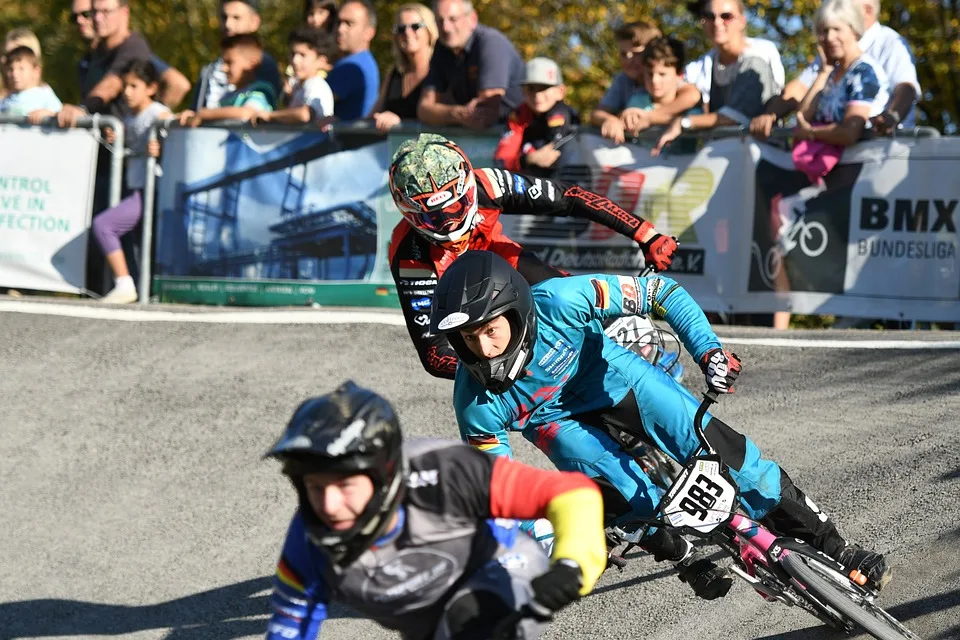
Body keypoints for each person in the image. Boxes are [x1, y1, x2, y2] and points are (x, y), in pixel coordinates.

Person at [429, 250, 894, 598]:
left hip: (615, 380)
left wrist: (708, 350)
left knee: (736, 463)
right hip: (558, 422)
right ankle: (685, 556)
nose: (484, 350)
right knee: (624, 494)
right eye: (468, 339)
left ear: (518, 312)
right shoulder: (474, 403)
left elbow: (661, 292)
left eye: (491, 330)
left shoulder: (562, 300)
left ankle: (838, 549)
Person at [263, 380, 607, 639]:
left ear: (382, 474)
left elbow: (571, 492)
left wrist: (572, 564)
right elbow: (288, 627)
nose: (328, 506)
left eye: (344, 485)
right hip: (426, 625)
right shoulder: (308, 540)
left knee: (468, 622)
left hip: (497, 575)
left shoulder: (444, 471)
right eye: (315, 487)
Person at [387, 133, 679, 380]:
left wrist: (644, 232)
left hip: (499, 259)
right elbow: (434, 354)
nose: (449, 224)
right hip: (462, 302)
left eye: (455, 207)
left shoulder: (488, 184)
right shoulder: (408, 254)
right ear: (409, 214)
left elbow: (570, 198)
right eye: (433, 217)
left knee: (573, 299)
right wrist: (500, 368)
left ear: (468, 188)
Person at [750, 0, 919, 139]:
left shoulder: (889, 45)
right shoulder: (834, 51)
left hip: (881, 150)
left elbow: (906, 88)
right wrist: (771, 115)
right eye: (825, 30)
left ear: (866, 11)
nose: (830, 37)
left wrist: (891, 116)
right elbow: (801, 88)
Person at [653, 0, 784, 155]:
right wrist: (642, 116)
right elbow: (680, 92)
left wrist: (685, 122)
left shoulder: (760, 54)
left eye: (726, 16)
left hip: (762, 158)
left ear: (742, 21)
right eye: (709, 16)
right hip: (720, 159)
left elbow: (737, 116)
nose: (717, 22)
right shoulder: (704, 64)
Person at [94, 60, 172, 303]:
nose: (126, 93)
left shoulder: (158, 113)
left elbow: (177, 141)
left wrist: (162, 147)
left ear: (151, 88)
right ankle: (146, 290)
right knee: (139, 244)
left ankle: (125, 283)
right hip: (135, 187)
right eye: (125, 86)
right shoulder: (129, 117)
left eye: (134, 86)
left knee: (104, 225)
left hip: (150, 190)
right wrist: (116, 138)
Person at [417, 0, 525, 129]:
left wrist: (444, 112)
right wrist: (457, 113)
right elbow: (424, 109)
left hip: (517, 133)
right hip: (480, 139)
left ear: (472, 19)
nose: (446, 27)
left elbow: (485, 113)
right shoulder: (442, 47)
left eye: (453, 19)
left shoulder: (490, 43)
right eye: (440, 21)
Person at [590, 21, 702, 145]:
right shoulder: (623, 80)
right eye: (623, 54)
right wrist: (611, 120)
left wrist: (650, 117)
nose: (629, 59)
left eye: (636, 53)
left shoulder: (667, 75)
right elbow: (597, 113)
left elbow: (691, 96)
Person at [494, 57, 579, 178]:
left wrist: (523, 160)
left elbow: (549, 159)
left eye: (544, 88)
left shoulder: (563, 114)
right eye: (531, 88)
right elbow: (501, 161)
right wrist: (529, 159)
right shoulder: (519, 115)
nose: (537, 95)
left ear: (560, 91)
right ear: (523, 91)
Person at [191, 0, 283, 111]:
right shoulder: (210, 69)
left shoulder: (264, 64)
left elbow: (254, 111)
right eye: (224, 17)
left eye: (236, 18)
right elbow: (196, 109)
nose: (228, 24)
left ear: (254, 22)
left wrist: (204, 115)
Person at [177, 33, 276, 127]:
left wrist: (204, 114)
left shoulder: (260, 91)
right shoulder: (228, 95)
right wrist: (194, 115)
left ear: (252, 63)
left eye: (229, 63)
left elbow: (247, 113)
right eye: (223, 62)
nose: (223, 68)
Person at [369, 2, 439, 132]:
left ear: (429, 31)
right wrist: (336, 122)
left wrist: (400, 124)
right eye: (401, 29)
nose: (407, 33)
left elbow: (442, 119)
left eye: (415, 26)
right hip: (390, 148)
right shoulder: (394, 74)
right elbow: (370, 119)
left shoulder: (441, 71)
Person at [253, 26, 335, 127]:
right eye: (292, 54)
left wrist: (270, 116)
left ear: (321, 60)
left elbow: (305, 115)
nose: (295, 61)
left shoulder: (316, 84)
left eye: (302, 55)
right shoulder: (297, 85)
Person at [327, 0, 380, 121]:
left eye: (349, 23)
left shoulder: (351, 66)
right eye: (339, 22)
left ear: (369, 33)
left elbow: (311, 105)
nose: (340, 29)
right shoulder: (366, 61)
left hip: (345, 139)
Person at [0, 46, 63, 123]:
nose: (14, 74)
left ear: (36, 71)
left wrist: (49, 114)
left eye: (21, 68)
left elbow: (61, 115)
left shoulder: (44, 95)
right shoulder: (6, 100)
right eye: (10, 69)